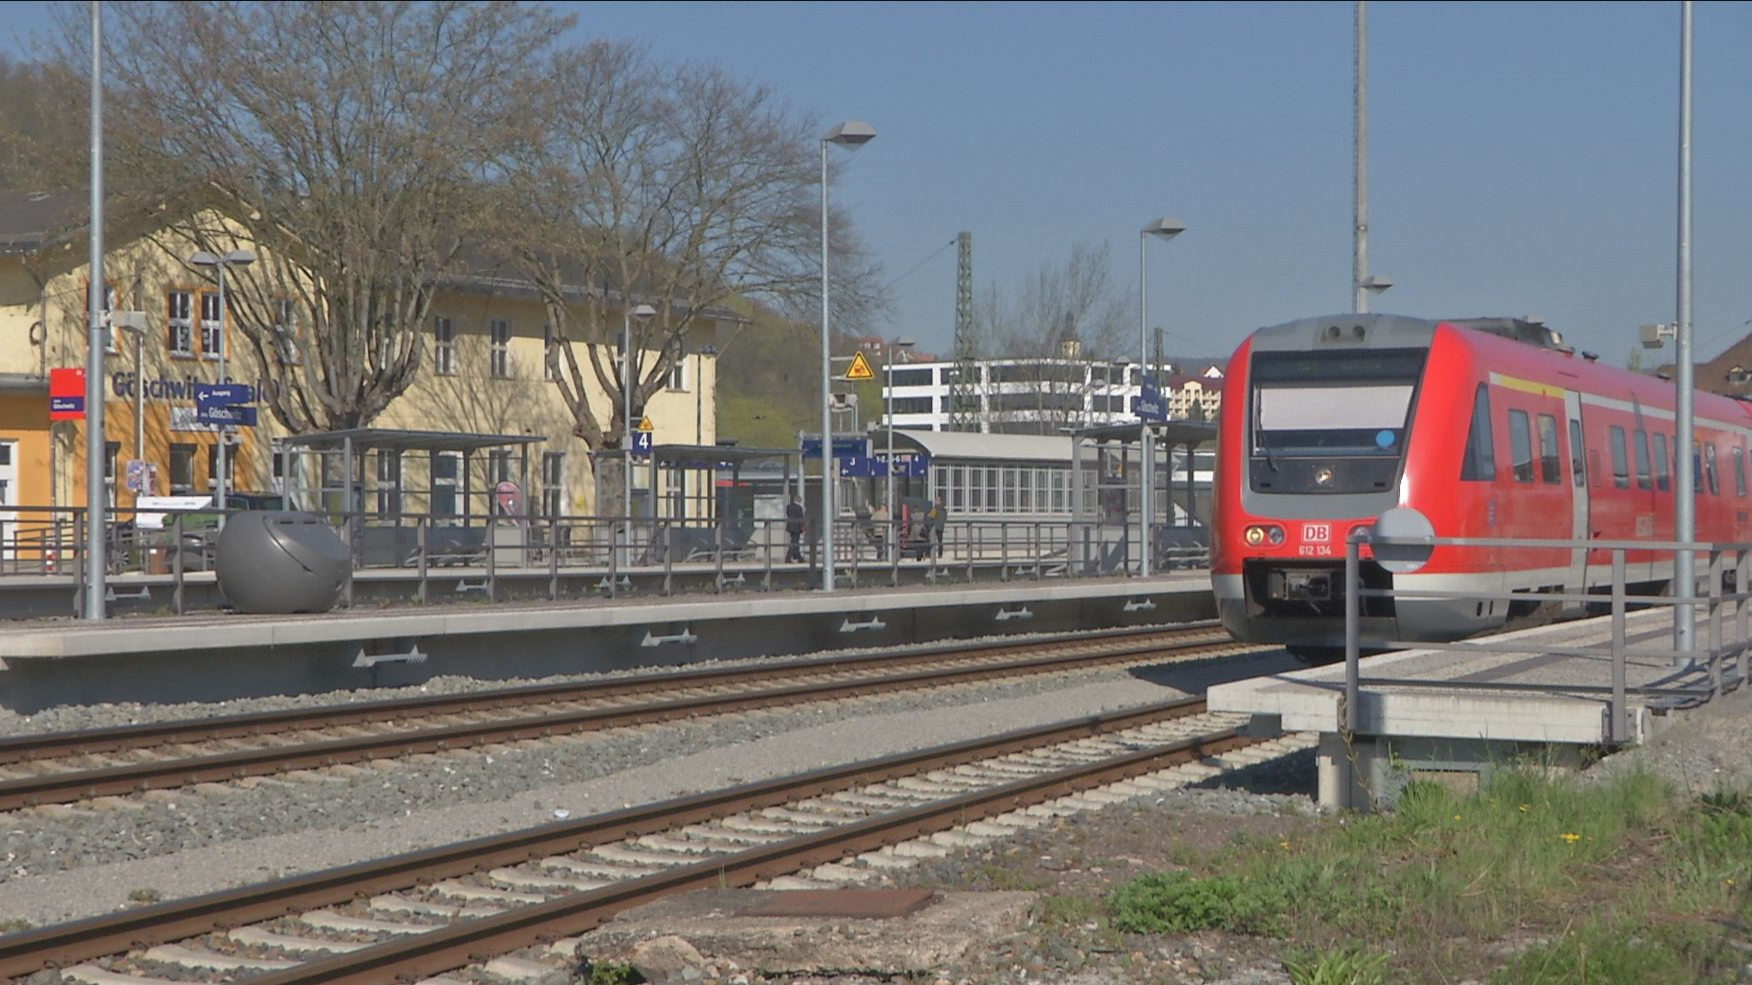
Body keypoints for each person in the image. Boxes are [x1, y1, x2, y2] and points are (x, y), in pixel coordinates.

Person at [784, 494, 806, 563]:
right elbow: (800, 518)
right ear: (799, 501)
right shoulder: (799, 508)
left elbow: (788, 514)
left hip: (790, 527)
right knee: (794, 543)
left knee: (795, 542)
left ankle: (799, 558)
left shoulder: (789, 507)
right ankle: (788, 558)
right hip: (797, 528)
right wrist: (803, 528)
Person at [926, 493, 947, 558]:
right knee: (940, 541)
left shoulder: (935, 508)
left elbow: (932, 516)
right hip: (941, 526)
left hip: (934, 527)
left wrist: (927, 515)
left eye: (936, 500)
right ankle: (940, 554)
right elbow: (945, 517)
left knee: (931, 539)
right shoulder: (944, 510)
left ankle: (930, 553)